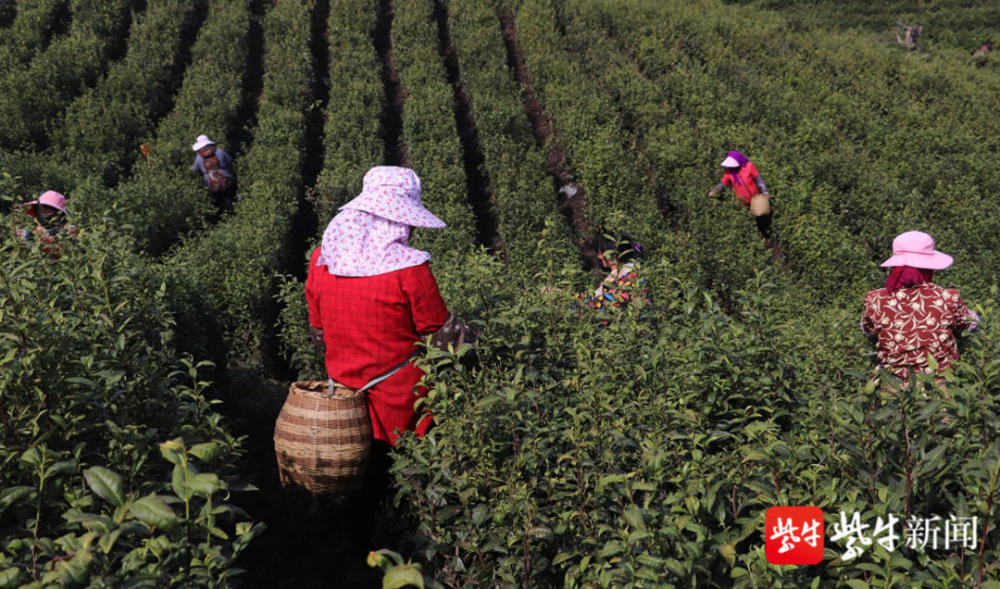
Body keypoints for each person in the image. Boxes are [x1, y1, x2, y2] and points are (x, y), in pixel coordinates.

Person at [306, 165, 474, 447]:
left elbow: (318, 332)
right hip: (402, 405)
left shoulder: (323, 260)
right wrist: (477, 339)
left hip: (344, 399)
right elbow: (442, 336)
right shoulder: (408, 268)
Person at [861, 231, 979, 387]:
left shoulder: (876, 299)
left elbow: (867, 330)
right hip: (938, 384)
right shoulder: (946, 298)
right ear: (929, 267)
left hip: (893, 385)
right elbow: (969, 325)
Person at [707, 150, 773, 238]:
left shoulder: (749, 167)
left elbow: (759, 180)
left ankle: (766, 235)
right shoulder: (729, 172)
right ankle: (755, 237)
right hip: (742, 201)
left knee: (761, 217)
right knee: (749, 219)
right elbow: (723, 184)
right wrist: (714, 191)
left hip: (755, 199)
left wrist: (765, 192)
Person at [576, 231, 647, 312]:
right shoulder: (616, 275)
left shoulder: (630, 276)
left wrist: (576, 302)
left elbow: (607, 303)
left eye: (601, 252)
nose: (599, 256)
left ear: (613, 253)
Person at [15, 190, 79, 257]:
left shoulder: (69, 229)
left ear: (58, 213)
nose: (42, 214)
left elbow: (62, 248)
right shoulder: (39, 229)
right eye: (40, 210)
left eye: (46, 211)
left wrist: (32, 238)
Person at [190, 134, 236, 211]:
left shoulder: (199, 157)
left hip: (212, 183)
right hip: (227, 179)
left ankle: (222, 216)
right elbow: (230, 160)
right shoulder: (219, 151)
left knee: (219, 202)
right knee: (231, 197)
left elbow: (195, 170)